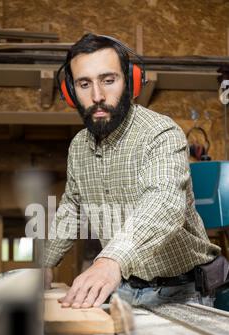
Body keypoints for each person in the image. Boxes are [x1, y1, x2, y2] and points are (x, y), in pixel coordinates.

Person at [43, 33, 221, 309]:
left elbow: (163, 203)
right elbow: (72, 207)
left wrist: (110, 260)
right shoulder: (79, 147)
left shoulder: (160, 133)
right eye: (84, 84)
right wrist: (46, 263)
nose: (98, 96)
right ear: (70, 92)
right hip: (124, 288)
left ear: (130, 82)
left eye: (108, 80)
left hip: (182, 290)